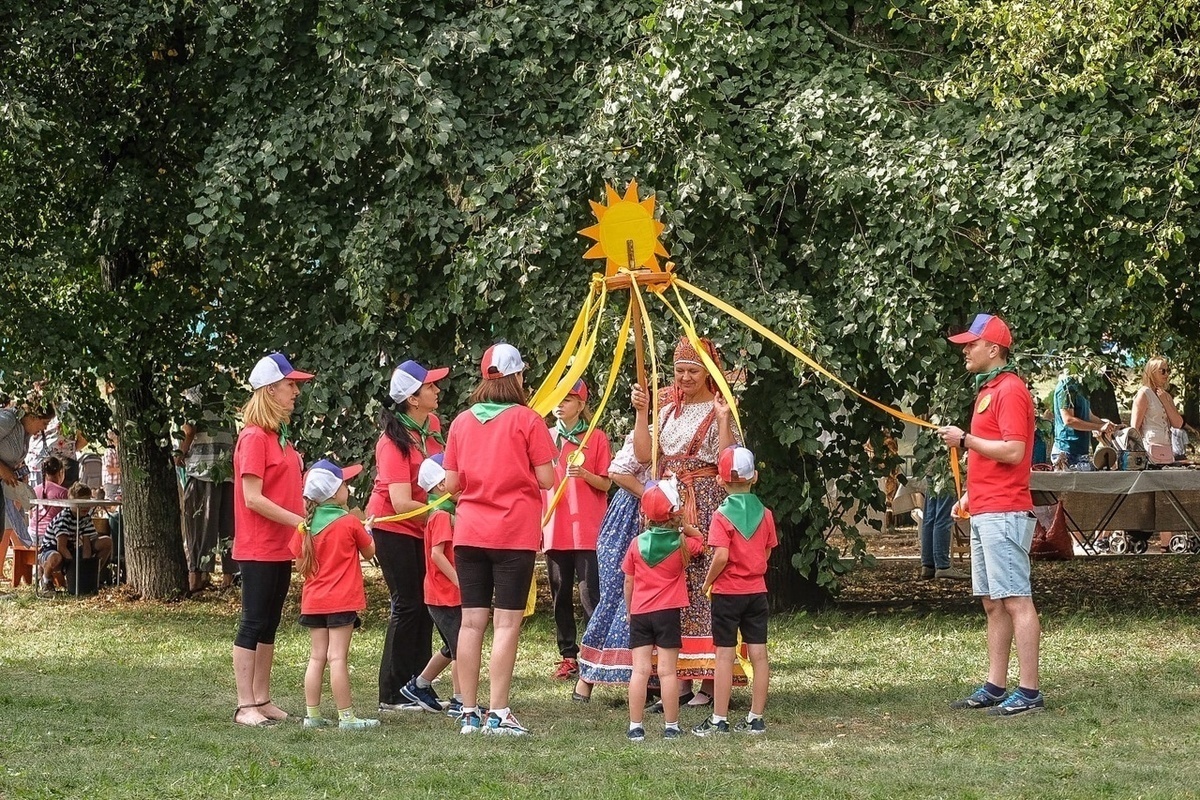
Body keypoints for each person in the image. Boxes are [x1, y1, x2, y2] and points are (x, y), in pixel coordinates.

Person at [442, 343, 557, 736]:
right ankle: (499, 712)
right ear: (517, 377)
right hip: (513, 533)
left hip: (469, 532)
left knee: (471, 623)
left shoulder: (460, 422)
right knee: (506, 625)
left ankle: (468, 712)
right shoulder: (528, 420)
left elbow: (452, 484)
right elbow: (546, 479)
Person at [937, 313, 1043, 716]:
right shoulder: (990, 389)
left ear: (993, 348)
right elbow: (992, 453)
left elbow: (1015, 452)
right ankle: (996, 685)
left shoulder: (1010, 390)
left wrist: (965, 439)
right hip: (987, 509)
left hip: (1005, 511)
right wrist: (971, 497)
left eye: (971, 344)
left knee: (1017, 600)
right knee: (993, 604)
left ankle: (1029, 692)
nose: (965, 350)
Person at [631, 337, 741, 707]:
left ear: (708, 372)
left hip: (706, 499)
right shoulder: (665, 406)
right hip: (672, 504)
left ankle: (710, 680)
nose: (685, 377)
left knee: (705, 584)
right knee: (673, 586)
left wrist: (724, 418)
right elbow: (646, 457)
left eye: (693, 370)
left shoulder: (718, 405)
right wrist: (642, 414)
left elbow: (727, 457)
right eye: (679, 370)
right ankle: (677, 680)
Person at [231, 352, 314, 728]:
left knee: (270, 623)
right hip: (259, 545)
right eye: (290, 385)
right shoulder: (253, 438)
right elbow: (252, 497)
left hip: (281, 545)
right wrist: (298, 520)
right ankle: (244, 703)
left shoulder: (278, 437)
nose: (295, 392)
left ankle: (262, 698)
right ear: (270, 390)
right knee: (252, 622)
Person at [367, 359, 448, 712]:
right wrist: (446, 514)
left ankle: (417, 685)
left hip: (421, 527)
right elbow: (400, 502)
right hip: (394, 528)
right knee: (407, 604)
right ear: (412, 399)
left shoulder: (431, 424)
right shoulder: (392, 443)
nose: (437, 390)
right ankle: (391, 692)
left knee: (425, 605)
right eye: (430, 386)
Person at [691, 447, 776, 737]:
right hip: (756, 592)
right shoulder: (766, 514)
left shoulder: (721, 516)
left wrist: (707, 582)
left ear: (720, 481)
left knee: (724, 656)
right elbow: (765, 553)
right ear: (755, 477)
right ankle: (756, 718)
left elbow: (722, 556)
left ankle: (719, 719)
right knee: (759, 656)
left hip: (728, 593)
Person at [291, 459, 379, 730]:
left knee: (317, 657)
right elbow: (370, 552)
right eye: (344, 483)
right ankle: (347, 717)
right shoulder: (349, 523)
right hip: (341, 601)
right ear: (333, 492)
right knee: (338, 657)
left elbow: (297, 559)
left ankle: (312, 716)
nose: (347, 487)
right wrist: (367, 529)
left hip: (313, 602)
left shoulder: (304, 526)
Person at [572, 433, 652, 701]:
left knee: (651, 600)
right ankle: (587, 676)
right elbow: (617, 473)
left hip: (660, 519)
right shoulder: (647, 432)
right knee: (615, 595)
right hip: (628, 516)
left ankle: (649, 680)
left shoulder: (679, 434)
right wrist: (652, 496)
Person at [623, 479, 704, 742]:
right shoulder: (681, 544)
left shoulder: (636, 544)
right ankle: (671, 726)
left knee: (640, 671)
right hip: (668, 613)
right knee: (668, 672)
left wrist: (629, 610)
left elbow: (628, 580)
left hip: (640, 613)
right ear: (675, 511)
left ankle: (636, 726)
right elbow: (701, 542)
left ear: (645, 512)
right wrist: (687, 528)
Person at [543, 378, 611, 681]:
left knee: (589, 595)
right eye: (557, 398)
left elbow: (607, 483)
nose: (560, 404)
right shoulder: (545, 437)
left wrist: (584, 474)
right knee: (559, 595)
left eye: (567, 399)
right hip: (555, 529)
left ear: (581, 405)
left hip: (586, 530)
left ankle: (593, 655)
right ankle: (568, 656)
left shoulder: (595, 438)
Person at [400, 454, 464, 716]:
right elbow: (437, 555)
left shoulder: (445, 513)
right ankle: (461, 700)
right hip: (444, 595)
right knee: (462, 648)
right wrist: (460, 582)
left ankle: (419, 685)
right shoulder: (439, 515)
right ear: (441, 486)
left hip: (444, 594)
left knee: (452, 647)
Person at [177, 389, 238, 593]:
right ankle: (229, 577)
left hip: (203, 469)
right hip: (226, 469)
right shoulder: (223, 395)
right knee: (227, 525)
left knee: (198, 524)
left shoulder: (193, 396)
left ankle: (197, 577)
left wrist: (180, 453)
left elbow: (189, 430)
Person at [1, 399, 56, 547]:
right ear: (33, 416)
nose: (44, 429)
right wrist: (2, 469)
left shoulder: (26, 433)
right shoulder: (8, 420)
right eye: (44, 423)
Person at [38, 482, 112, 592]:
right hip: (52, 550)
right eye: (80, 503)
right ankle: (46, 579)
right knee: (56, 557)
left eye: (87, 503)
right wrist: (74, 567)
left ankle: (91, 576)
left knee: (106, 542)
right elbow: (61, 547)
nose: (84, 507)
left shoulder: (85, 518)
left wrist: (85, 565)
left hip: (72, 550)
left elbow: (87, 544)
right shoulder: (64, 518)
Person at [1050, 370, 1114, 468]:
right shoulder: (1066, 387)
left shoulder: (1081, 387)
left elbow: (1089, 416)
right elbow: (1068, 420)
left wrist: (1111, 427)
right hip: (1066, 452)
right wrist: (1099, 427)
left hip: (1081, 452)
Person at [1130, 356, 1185, 465]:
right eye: (1163, 371)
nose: (1167, 375)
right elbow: (1134, 428)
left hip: (1166, 449)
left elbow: (1178, 423)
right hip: (1148, 449)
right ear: (1152, 372)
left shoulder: (1166, 396)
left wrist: (1165, 401)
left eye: (1168, 371)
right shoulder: (1144, 394)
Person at [30, 456, 69, 546]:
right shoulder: (62, 492)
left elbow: (31, 514)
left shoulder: (34, 489)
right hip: (51, 535)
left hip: (33, 533)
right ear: (61, 472)